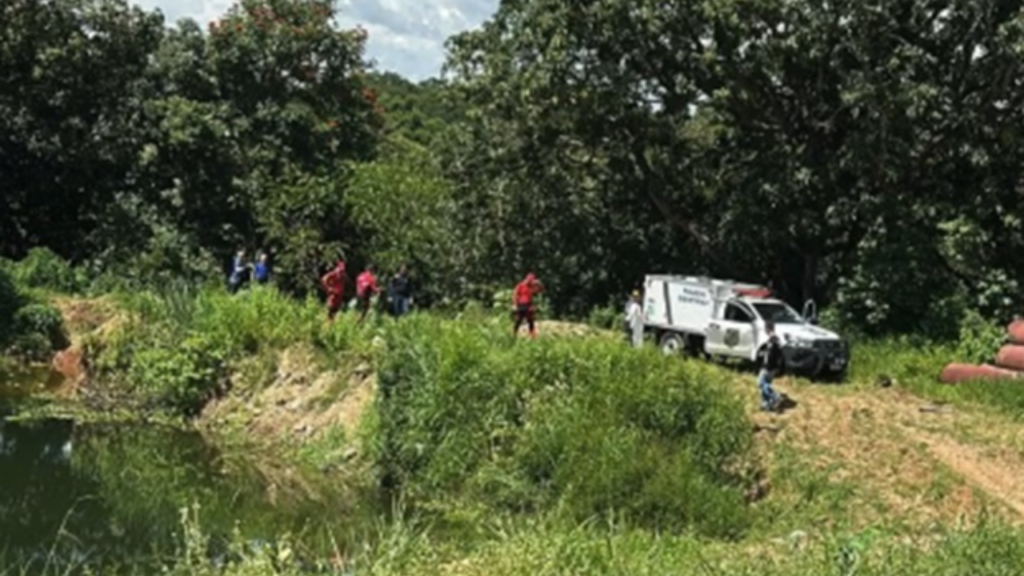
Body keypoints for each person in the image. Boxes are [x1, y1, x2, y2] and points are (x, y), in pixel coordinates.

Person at [757, 322, 784, 412]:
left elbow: (770, 354)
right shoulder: (776, 339)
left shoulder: (772, 339)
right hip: (774, 367)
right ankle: (767, 404)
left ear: (767, 328)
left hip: (769, 366)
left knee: (761, 383)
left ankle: (775, 396)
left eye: (765, 328)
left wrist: (765, 365)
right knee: (766, 383)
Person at [512, 272, 543, 338]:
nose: (530, 282)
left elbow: (540, 290)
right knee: (519, 319)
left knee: (530, 320)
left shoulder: (532, 286)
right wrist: (514, 304)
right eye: (529, 280)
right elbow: (515, 294)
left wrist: (539, 284)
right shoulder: (520, 285)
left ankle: (532, 335)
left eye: (531, 281)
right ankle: (514, 334)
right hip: (520, 304)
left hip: (528, 304)